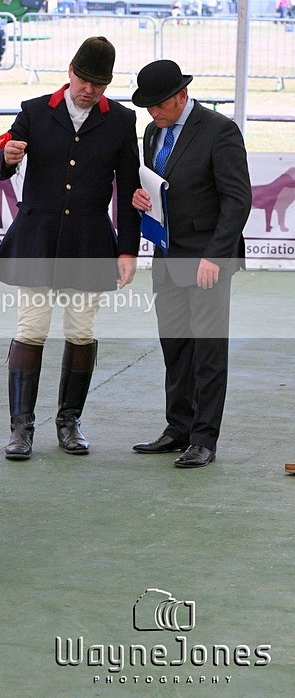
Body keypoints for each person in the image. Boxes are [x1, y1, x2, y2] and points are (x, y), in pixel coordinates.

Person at [0, 36, 141, 460]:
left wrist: (128, 250)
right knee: (31, 329)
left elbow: (129, 189)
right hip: (37, 237)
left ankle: (69, 422)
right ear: (70, 72)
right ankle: (21, 428)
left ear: (107, 84)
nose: (89, 90)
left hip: (89, 240)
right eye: (83, 80)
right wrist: (7, 158)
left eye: (98, 84)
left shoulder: (121, 120)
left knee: (81, 331)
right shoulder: (34, 111)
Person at [131, 60, 251, 468]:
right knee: (175, 345)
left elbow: (238, 200)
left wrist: (215, 257)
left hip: (206, 260)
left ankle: (204, 439)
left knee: (208, 349)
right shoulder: (153, 132)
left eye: (159, 104)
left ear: (182, 95)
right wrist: (141, 197)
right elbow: (157, 184)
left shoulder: (220, 131)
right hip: (166, 256)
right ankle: (178, 428)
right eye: (148, 107)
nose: (153, 112)